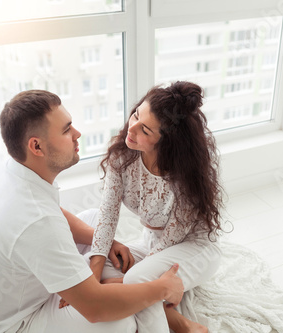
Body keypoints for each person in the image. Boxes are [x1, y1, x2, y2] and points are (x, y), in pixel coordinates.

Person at [0, 90, 184, 333]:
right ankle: (95, 287)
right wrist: (162, 287)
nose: (77, 134)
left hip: (21, 288)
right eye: (66, 130)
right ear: (36, 146)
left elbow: (54, 212)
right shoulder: (37, 220)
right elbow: (95, 309)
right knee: (120, 322)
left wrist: (106, 242)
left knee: (96, 222)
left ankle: (93, 282)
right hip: (16, 325)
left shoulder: (13, 169)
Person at [86, 81, 226, 333]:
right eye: (136, 115)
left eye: (145, 130)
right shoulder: (122, 156)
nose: (132, 129)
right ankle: (182, 325)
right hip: (152, 241)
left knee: (137, 279)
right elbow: (107, 214)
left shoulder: (184, 173)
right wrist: (93, 279)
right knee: (105, 265)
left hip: (193, 247)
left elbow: (174, 236)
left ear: (166, 142)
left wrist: (140, 276)